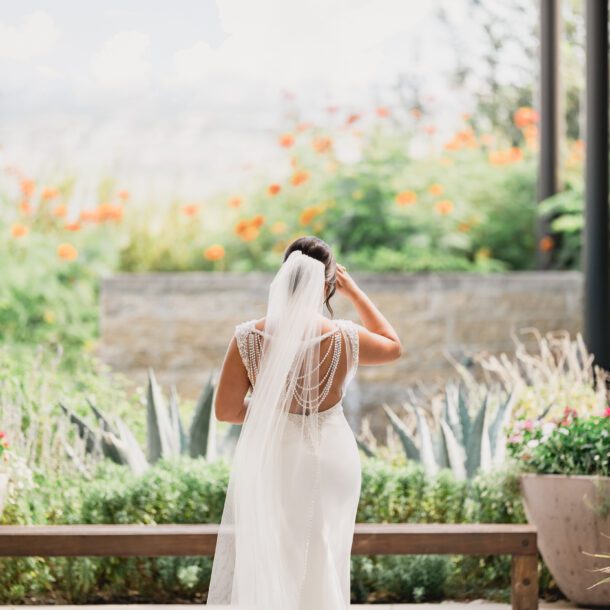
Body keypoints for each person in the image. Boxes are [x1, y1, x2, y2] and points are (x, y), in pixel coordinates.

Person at [208, 235, 401, 610]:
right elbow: (392, 345)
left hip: (274, 455)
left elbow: (226, 411)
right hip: (332, 456)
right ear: (328, 283)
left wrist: (272, 413)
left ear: (284, 274)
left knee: (276, 549)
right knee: (325, 547)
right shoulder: (345, 336)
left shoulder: (248, 337)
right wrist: (355, 292)